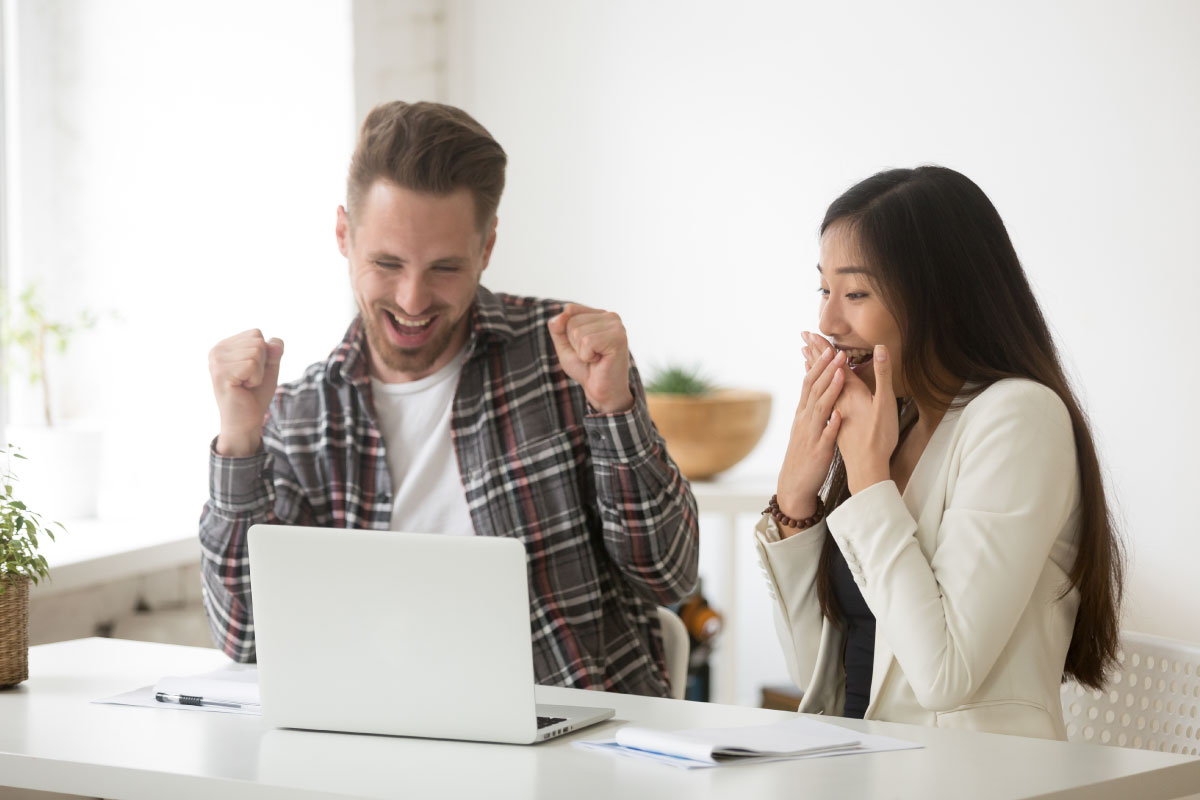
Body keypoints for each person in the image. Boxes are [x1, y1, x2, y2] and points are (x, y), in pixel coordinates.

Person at [199, 100, 698, 698]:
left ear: (486, 248)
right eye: (386, 262)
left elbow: (669, 575)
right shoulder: (303, 413)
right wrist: (238, 440)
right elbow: (245, 638)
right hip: (380, 743)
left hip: (574, 747)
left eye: (444, 268)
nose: (412, 300)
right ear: (343, 235)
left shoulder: (566, 363)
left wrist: (615, 412)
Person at [756, 166, 1123, 738]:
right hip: (851, 763)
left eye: (855, 293)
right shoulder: (892, 426)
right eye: (824, 290)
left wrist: (870, 481)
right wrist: (796, 500)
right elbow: (818, 678)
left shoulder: (1019, 418)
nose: (828, 321)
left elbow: (942, 675)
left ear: (944, 300)